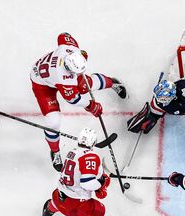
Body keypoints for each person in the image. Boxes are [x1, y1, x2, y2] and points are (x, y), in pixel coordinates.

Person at [30, 32, 127, 171]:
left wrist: (80, 54)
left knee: (85, 84)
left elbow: (63, 35)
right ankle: (55, 151)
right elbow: (73, 99)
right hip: (42, 85)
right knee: (53, 122)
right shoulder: (64, 77)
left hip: (53, 72)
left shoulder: (69, 49)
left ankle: (112, 82)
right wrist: (91, 106)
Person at [41, 127, 127, 216]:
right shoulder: (90, 156)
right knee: (103, 215)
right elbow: (87, 183)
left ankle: (48, 211)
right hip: (77, 206)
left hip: (59, 197)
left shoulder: (73, 152)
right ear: (93, 142)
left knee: (59, 200)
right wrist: (100, 183)